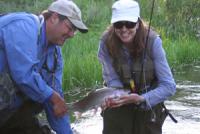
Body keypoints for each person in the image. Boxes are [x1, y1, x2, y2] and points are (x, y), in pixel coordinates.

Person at [0, 0, 88, 134]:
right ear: (54, 18)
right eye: (70, 27)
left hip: (9, 112)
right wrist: (53, 96)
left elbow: (56, 101)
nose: (71, 34)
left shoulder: (55, 56)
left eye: (74, 31)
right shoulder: (24, 26)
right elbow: (24, 75)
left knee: (44, 97)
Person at [98, 0, 176, 134]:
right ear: (113, 24)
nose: (124, 29)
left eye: (129, 24)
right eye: (118, 24)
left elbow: (169, 87)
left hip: (149, 99)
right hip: (119, 99)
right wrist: (116, 98)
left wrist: (141, 98)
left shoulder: (153, 42)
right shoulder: (105, 43)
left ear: (138, 23)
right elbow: (112, 81)